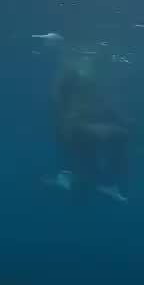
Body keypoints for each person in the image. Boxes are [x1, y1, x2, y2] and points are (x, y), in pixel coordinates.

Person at [52, 54, 130, 201]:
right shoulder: (77, 86)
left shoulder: (68, 90)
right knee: (121, 135)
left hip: (72, 132)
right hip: (75, 129)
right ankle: (108, 183)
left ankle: (69, 176)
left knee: (86, 150)